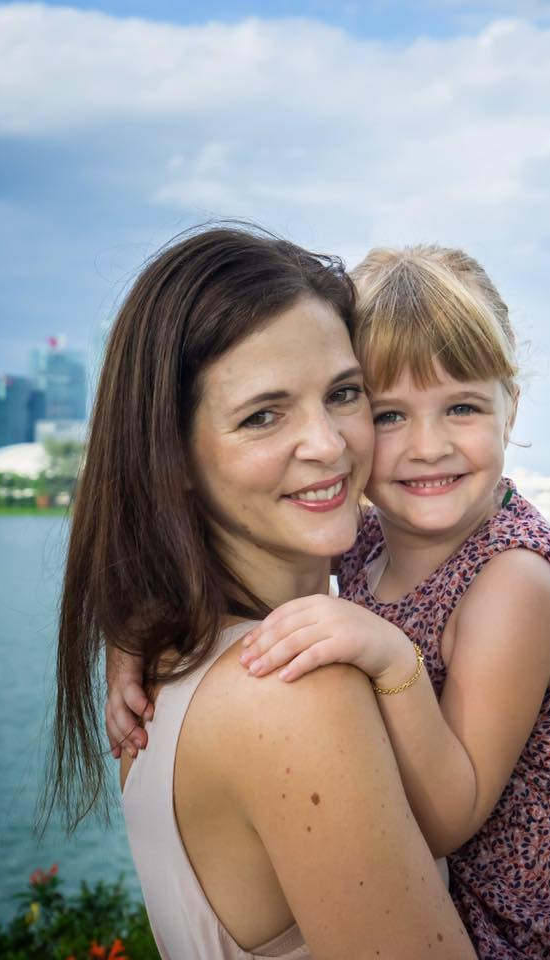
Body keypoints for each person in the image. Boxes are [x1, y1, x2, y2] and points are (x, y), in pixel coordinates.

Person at [105, 237, 550, 960]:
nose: (425, 447)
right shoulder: (359, 550)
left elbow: (452, 815)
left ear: (510, 410)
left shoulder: (511, 581)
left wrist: (393, 664)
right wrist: (131, 632)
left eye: (461, 407)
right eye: (389, 414)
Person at [48, 227, 479, 959]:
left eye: (344, 394)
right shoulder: (295, 690)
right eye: (263, 415)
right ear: (172, 456)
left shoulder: (170, 655)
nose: (329, 444)